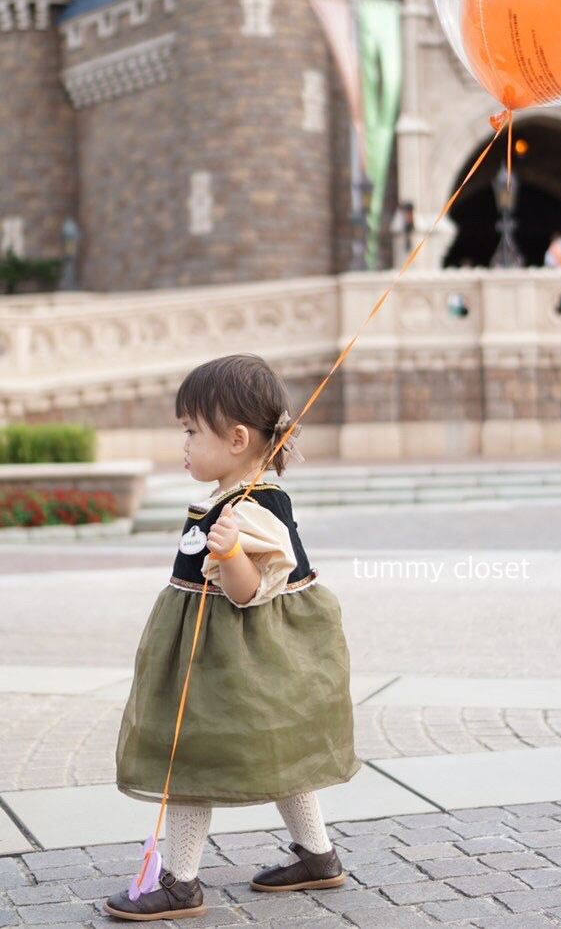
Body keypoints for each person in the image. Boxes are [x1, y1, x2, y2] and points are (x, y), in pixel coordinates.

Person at [104, 354, 361, 921]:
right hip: (217, 651)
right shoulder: (228, 499)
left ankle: (181, 881)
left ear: (238, 439)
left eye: (192, 431)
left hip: (237, 660)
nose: (185, 444)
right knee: (280, 753)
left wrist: (233, 553)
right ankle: (318, 856)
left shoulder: (253, 509)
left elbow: (248, 593)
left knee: (191, 756)